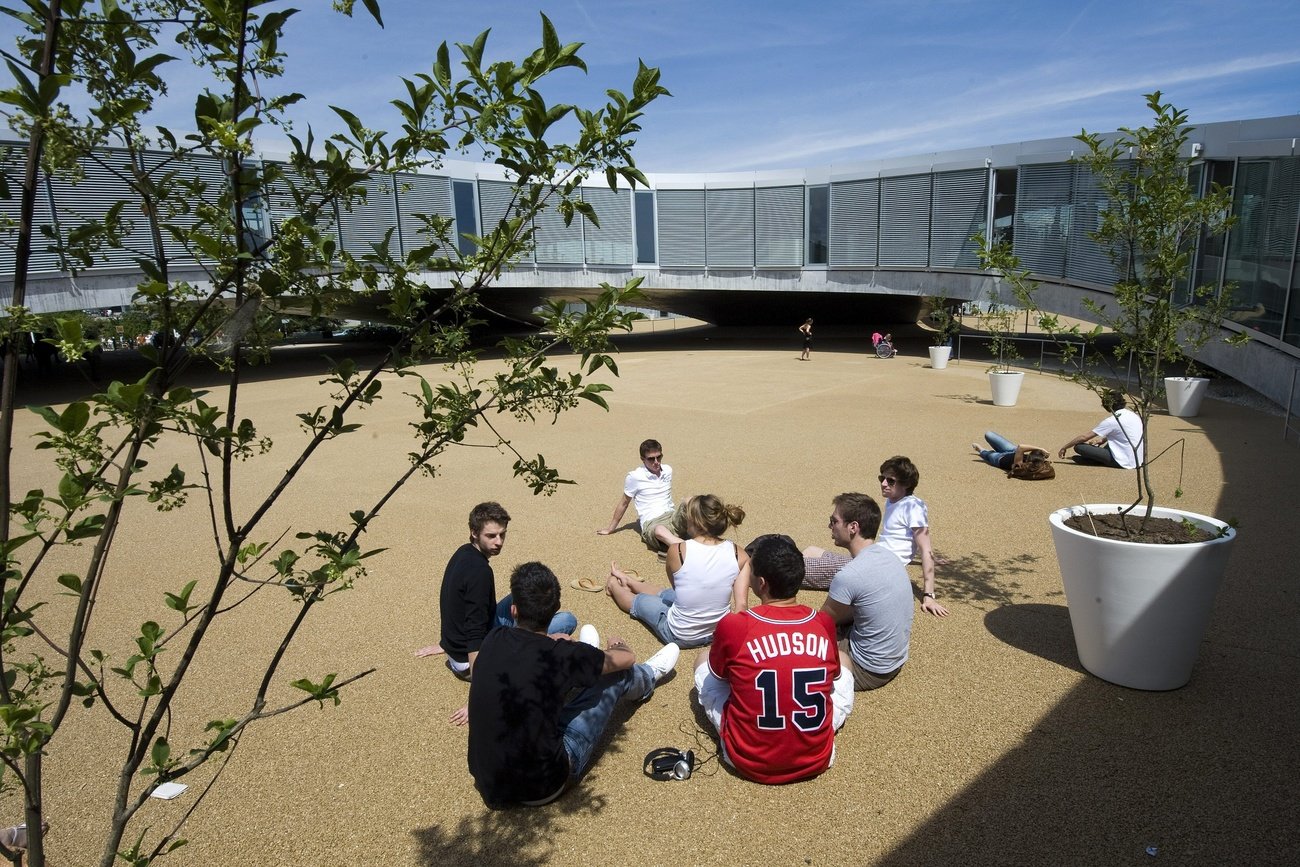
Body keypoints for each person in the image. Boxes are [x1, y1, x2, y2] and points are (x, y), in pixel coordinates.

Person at [467, 562, 680, 808]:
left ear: (514, 610)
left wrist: (559, 642)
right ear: (555, 609)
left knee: (546, 681)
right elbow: (626, 659)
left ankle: (587, 662)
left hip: (490, 784)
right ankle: (649, 676)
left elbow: (528, 655)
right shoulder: (560, 655)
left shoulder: (494, 639)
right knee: (616, 675)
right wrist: (618, 645)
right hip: (544, 784)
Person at [694, 534, 851, 784]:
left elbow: (721, 676)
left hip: (745, 759)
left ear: (762, 583)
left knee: (704, 660)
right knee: (842, 658)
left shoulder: (735, 625)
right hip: (817, 757)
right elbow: (832, 677)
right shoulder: (823, 622)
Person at [417, 502, 576, 683]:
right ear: (474, 532)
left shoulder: (463, 552)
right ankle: (533, 637)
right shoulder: (480, 573)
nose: (499, 542)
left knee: (529, 593)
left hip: (456, 648)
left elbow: (454, 605)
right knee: (567, 620)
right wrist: (480, 690)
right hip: (469, 662)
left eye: (502, 534)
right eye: (491, 536)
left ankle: (530, 630)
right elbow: (474, 632)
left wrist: (446, 644)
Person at [802, 457, 948, 617]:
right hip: (869, 556)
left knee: (790, 569)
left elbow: (925, 547)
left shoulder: (913, 507)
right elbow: (904, 541)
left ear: (906, 484)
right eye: (882, 478)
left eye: (890, 481)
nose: (884, 483)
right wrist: (922, 558)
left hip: (873, 568)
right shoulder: (894, 501)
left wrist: (929, 596)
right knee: (811, 550)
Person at [605, 494, 749, 647]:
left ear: (695, 521)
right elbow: (742, 606)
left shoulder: (678, 550)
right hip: (716, 632)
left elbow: (678, 589)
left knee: (640, 602)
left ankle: (613, 585)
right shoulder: (739, 554)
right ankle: (629, 581)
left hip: (679, 634)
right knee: (667, 594)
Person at [818, 493, 914, 691]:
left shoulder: (850, 575)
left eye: (834, 521)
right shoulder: (889, 557)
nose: (830, 526)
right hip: (893, 660)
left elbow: (822, 621)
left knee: (802, 646)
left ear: (853, 527)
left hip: (868, 670)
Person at [596, 438, 685, 552]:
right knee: (659, 530)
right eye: (651, 459)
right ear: (643, 459)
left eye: (659, 457)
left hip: (672, 516)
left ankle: (710, 539)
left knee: (691, 502)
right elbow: (624, 503)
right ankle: (689, 549)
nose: (656, 462)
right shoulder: (635, 477)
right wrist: (610, 529)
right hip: (653, 522)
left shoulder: (668, 470)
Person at [1058, 389, 1144, 469]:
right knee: (1107, 445)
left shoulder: (1112, 420)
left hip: (1122, 461)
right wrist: (1102, 440)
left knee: (1079, 447)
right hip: (1138, 459)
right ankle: (1095, 459)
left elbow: (1084, 437)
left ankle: (1098, 460)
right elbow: (1122, 432)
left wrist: (1064, 447)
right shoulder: (1133, 415)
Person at [972, 432, 1056, 480]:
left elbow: (1021, 447)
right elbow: (1019, 449)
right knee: (988, 434)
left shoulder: (1020, 465)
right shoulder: (1038, 464)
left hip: (999, 459)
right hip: (1013, 450)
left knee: (986, 454)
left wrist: (1040, 448)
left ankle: (980, 450)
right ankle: (987, 450)